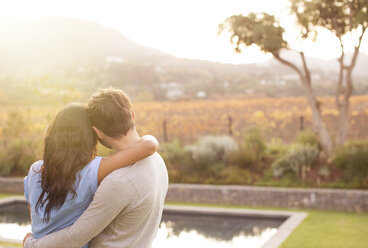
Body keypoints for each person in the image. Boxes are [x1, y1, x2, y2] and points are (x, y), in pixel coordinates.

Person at [24, 88, 169, 248]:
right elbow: (148, 146)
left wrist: (32, 244)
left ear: (97, 132)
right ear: (132, 114)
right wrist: (149, 139)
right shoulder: (157, 162)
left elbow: (75, 236)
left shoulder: (117, 182)